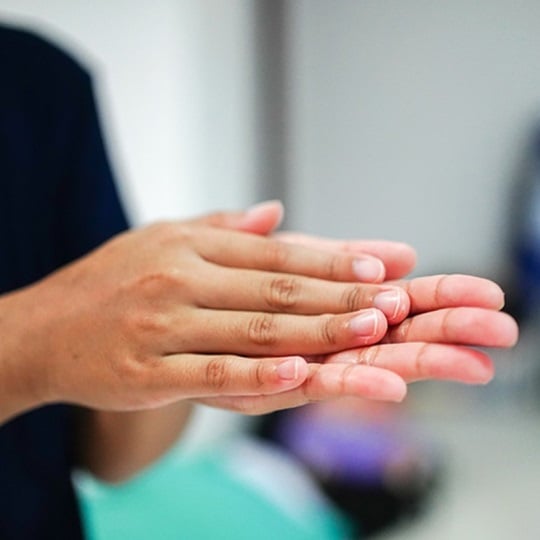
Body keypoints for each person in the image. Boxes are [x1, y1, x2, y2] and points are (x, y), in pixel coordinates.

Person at [0, 24, 518, 540]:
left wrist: (196, 340)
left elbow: (112, 457)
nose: (380, 410)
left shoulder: (42, 83)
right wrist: (38, 346)